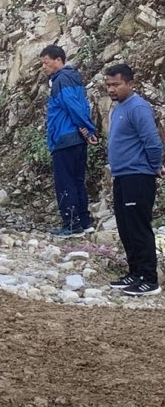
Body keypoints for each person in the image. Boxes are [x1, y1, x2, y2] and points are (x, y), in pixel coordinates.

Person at [102, 64, 163, 296]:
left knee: (138, 228)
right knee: (126, 228)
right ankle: (135, 273)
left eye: (116, 84)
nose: (111, 89)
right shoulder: (118, 108)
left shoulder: (137, 107)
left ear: (130, 83)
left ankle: (149, 279)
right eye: (108, 85)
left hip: (138, 176)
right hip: (122, 176)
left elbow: (153, 142)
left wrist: (154, 166)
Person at [40, 44, 98, 238]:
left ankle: (71, 224)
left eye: (46, 63)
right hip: (77, 139)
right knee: (78, 180)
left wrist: (88, 128)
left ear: (58, 60)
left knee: (65, 182)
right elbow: (82, 105)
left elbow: (72, 106)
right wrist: (86, 130)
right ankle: (84, 222)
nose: (44, 67)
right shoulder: (74, 77)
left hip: (64, 138)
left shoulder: (61, 80)